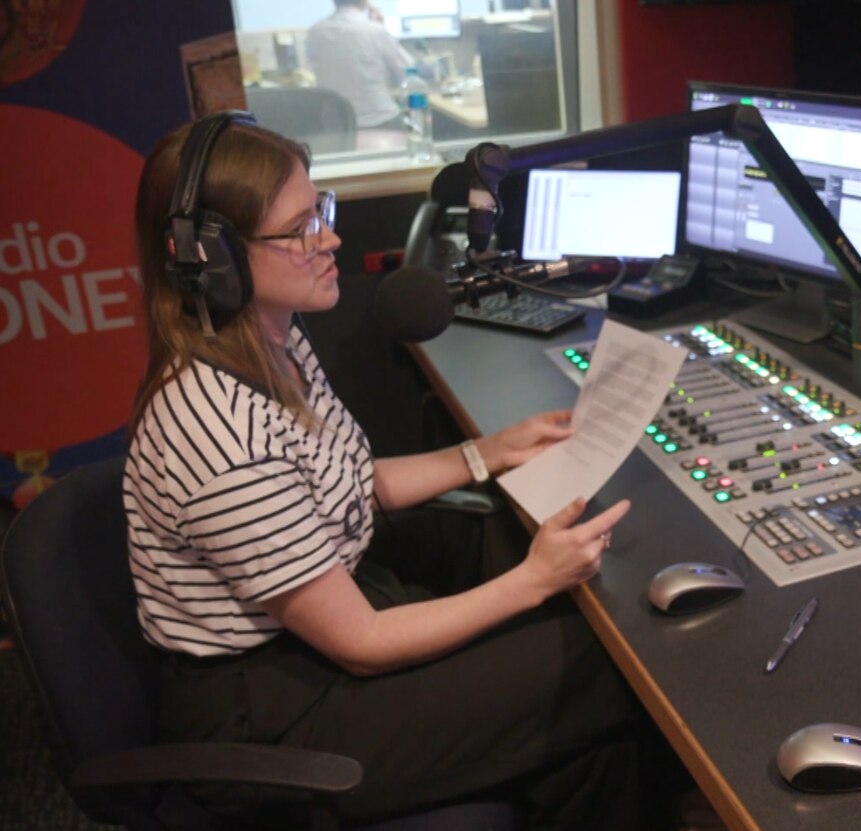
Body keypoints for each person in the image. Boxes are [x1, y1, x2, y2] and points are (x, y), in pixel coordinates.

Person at [124, 115, 667, 828]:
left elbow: (347, 480)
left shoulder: (271, 340)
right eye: (299, 229)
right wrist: (532, 579)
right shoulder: (214, 431)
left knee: (582, 690)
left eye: (321, 209)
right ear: (209, 258)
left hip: (334, 608)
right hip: (281, 713)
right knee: (601, 661)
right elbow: (362, 645)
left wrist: (486, 453)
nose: (330, 238)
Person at [305, 0, 411, 130]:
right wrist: (382, 29)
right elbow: (408, 72)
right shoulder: (374, 30)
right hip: (379, 119)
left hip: (335, 124)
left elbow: (312, 67)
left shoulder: (315, 31)